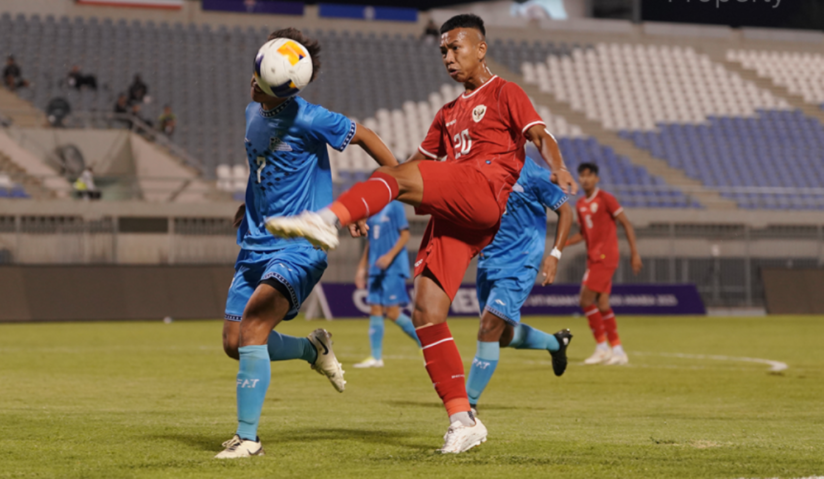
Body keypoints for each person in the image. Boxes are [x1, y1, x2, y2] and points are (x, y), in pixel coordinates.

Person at [266, 14, 576, 454]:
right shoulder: (447, 113)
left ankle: (325, 219)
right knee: (427, 312)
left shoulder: (506, 92)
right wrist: (370, 205)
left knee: (396, 178)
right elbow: (408, 166)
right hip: (459, 214)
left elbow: (540, 135)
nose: (449, 57)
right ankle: (463, 419)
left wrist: (558, 166)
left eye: (457, 48)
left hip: (485, 188)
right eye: (443, 51)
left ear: (481, 48)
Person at [216, 28, 400, 459]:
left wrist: (395, 187)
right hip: (255, 243)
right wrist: (249, 204)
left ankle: (248, 439)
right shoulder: (252, 111)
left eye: (260, 80)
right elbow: (261, 166)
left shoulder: (311, 117)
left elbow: (368, 136)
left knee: (255, 328)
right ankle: (311, 348)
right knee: (233, 342)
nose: (252, 83)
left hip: (301, 245)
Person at [465, 159, 574, 413]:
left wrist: (555, 254)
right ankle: (556, 343)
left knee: (488, 327)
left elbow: (566, 212)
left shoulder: (534, 173)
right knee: (501, 336)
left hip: (521, 262)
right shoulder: (482, 167)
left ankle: (466, 406)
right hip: (488, 262)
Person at [566, 162, 642, 366]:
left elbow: (626, 223)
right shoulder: (580, 204)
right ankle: (617, 350)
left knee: (585, 300)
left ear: (596, 178)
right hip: (593, 258)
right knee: (602, 304)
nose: (585, 179)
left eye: (589, 175)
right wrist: (564, 242)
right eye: (582, 175)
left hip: (606, 257)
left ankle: (602, 347)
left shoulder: (606, 198)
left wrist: (635, 253)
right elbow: (583, 233)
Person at [353, 201, 420, 368]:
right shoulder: (372, 210)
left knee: (392, 312)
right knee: (375, 308)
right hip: (376, 267)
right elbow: (370, 242)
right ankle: (376, 358)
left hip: (393, 267)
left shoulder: (395, 206)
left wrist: (389, 256)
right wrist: (361, 267)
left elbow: (405, 235)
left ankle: (425, 344)